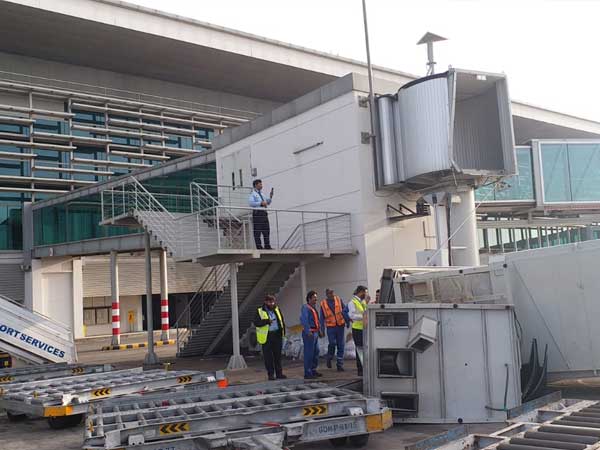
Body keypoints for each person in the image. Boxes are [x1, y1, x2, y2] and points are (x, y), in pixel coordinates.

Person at [254, 294, 287, 380]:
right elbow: (256, 323)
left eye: (273, 302)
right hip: (267, 336)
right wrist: (266, 321)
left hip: (277, 334)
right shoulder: (260, 311)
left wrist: (283, 332)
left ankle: (279, 373)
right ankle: (271, 374)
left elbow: (281, 320)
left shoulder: (276, 309)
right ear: (266, 302)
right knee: (268, 357)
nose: (272, 304)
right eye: (270, 302)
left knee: (278, 356)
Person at [320, 288, 348, 371]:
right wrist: (322, 329)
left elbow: (344, 310)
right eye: (329, 293)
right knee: (332, 343)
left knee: (341, 345)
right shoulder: (323, 304)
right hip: (330, 327)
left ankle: (340, 364)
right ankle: (329, 357)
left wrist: (347, 321)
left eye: (332, 293)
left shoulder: (338, 300)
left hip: (340, 326)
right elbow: (321, 318)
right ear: (327, 294)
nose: (331, 295)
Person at [300, 290, 323, 379]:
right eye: (314, 299)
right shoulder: (305, 308)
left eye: (316, 299)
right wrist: (307, 330)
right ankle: (308, 372)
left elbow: (317, 320)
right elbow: (304, 319)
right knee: (309, 353)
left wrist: (320, 330)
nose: (315, 300)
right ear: (309, 299)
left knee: (315, 351)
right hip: (309, 333)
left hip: (315, 332)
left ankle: (313, 370)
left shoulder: (313, 308)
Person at [347, 285, 368, 376]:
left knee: (364, 349)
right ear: (360, 292)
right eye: (365, 292)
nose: (366, 294)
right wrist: (362, 317)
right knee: (359, 349)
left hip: (364, 328)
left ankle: (364, 367)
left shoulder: (362, 302)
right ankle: (360, 370)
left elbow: (365, 312)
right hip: (357, 329)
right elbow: (351, 315)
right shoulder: (352, 302)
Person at [248, 179, 273, 250]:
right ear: (256, 185)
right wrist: (260, 203)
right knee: (257, 231)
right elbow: (251, 203)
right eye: (260, 184)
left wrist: (270, 197)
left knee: (266, 230)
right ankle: (259, 246)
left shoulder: (262, 194)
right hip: (257, 213)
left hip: (264, 213)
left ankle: (267, 245)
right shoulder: (252, 194)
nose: (261, 185)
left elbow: (266, 202)